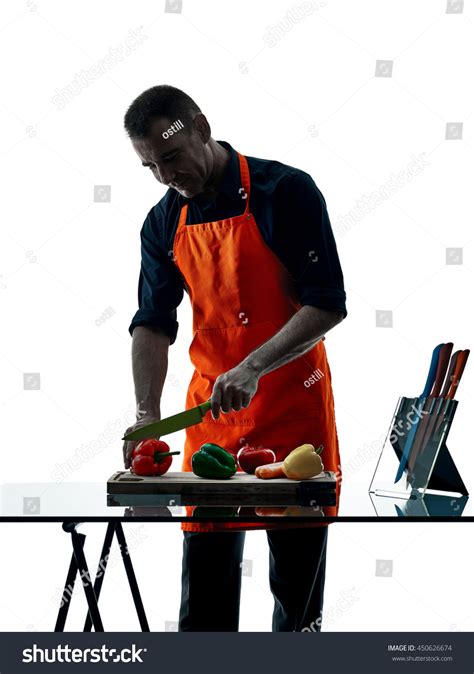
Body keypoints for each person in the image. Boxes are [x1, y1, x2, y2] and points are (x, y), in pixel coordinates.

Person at [122, 85, 347, 632]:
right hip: (213, 421)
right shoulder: (162, 222)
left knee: (297, 605)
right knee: (204, 603)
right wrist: (148, 417)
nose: (165, 177)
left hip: (293, 414)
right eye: (150, 166)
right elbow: (153, 322)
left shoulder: (287, 191)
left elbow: (327, 303)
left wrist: (251, 367)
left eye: (170, 157)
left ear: (199, 125)